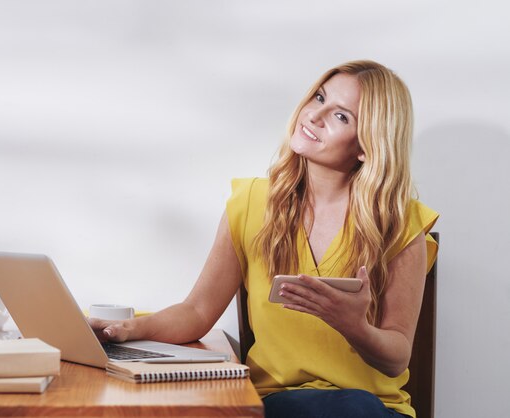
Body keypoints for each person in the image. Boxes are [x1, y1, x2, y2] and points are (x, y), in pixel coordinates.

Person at [88, 60, 438, 418]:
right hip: (280, 403)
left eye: (341, 116)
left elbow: (396, 357)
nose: (315, 116)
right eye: (318, 98)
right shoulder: (253, 203)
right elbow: (197, 311)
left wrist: (355, 326)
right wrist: (125, 329)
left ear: (367, 146)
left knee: (355, 406)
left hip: (373, 409)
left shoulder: (400, 223)